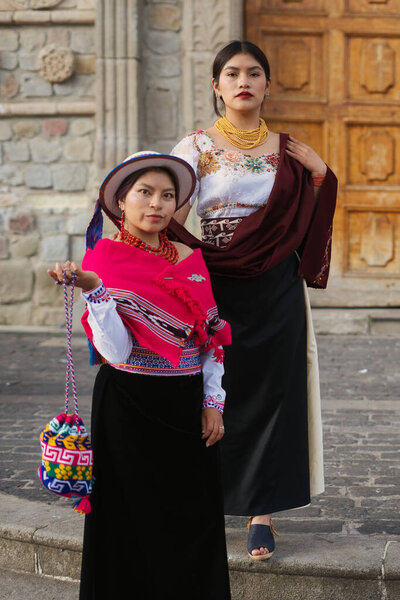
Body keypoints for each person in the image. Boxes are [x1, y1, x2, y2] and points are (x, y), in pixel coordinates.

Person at [169, 40, 338, 560]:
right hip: (213, 282)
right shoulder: (193, 147)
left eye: (255, 73)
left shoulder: (288, 150)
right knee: (210, 392)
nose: (244, 81)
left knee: (273, 392)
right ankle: (201, 498)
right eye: (233, 73)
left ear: (267, 85)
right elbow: (162, 212)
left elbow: (306, 218)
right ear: (217, 85)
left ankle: (260, 512)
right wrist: (182, 273)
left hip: (275, 286)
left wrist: (320, 175)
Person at [47, 152, 232, 599]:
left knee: (193, 519)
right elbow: (116, 351)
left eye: (167, 195)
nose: (157, 204)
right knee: (129, 522)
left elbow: (210, 340)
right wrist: (95, 290)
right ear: (121, 203)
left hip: (186, 406)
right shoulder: (104, 260)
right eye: (144, 193)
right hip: (129, 406)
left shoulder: (190, 258)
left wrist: (212, 404)